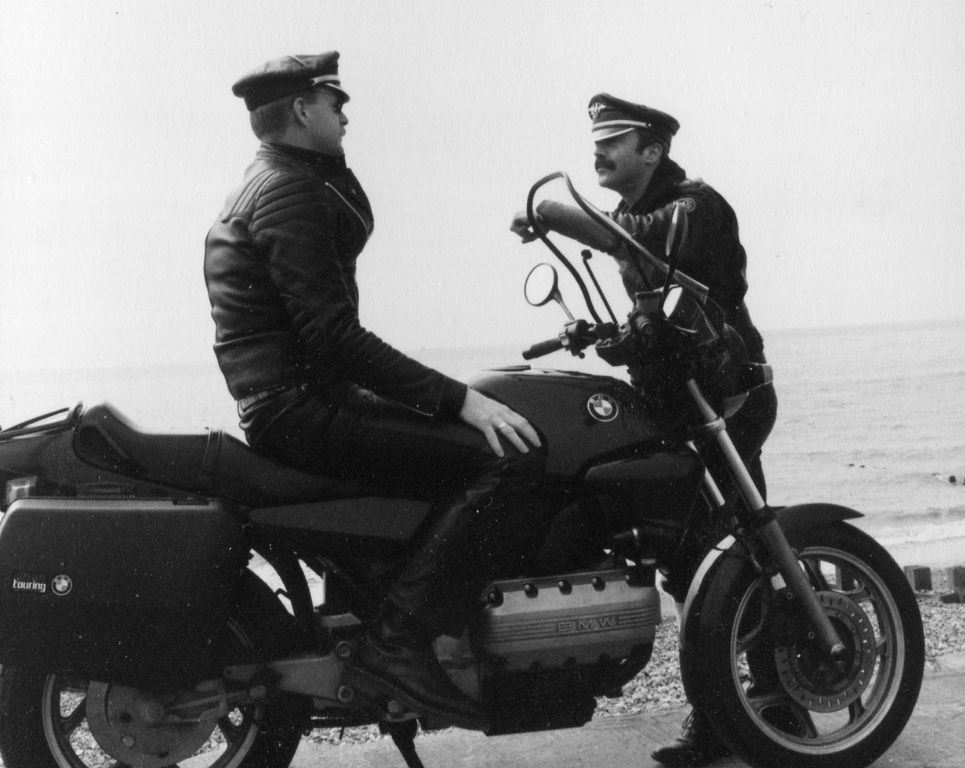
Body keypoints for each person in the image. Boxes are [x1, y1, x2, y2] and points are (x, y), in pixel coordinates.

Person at [205, 51, 548, 730]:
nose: (346, 113)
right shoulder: (288, 193)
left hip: (294, 403)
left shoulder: (277, 181)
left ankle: (390, 623)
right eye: (335, 102)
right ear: (302, 109)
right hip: (303, 409)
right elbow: (334, 337)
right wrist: (460, 399)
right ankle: (401, 643)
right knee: (506, 455)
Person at [510, 94, 777, 767]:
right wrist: (613, 333)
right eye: (596, 141)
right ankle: (729, 717)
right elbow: (656, 306)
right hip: (676, 405)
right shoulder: (638, 215)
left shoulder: (693, 205)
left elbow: (647, 244)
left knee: (737, 559)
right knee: (692, 567)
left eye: (614, 141)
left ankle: (767, 704)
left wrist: (553, 213)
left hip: (726, 404)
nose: (598, 152)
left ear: (652, 150)